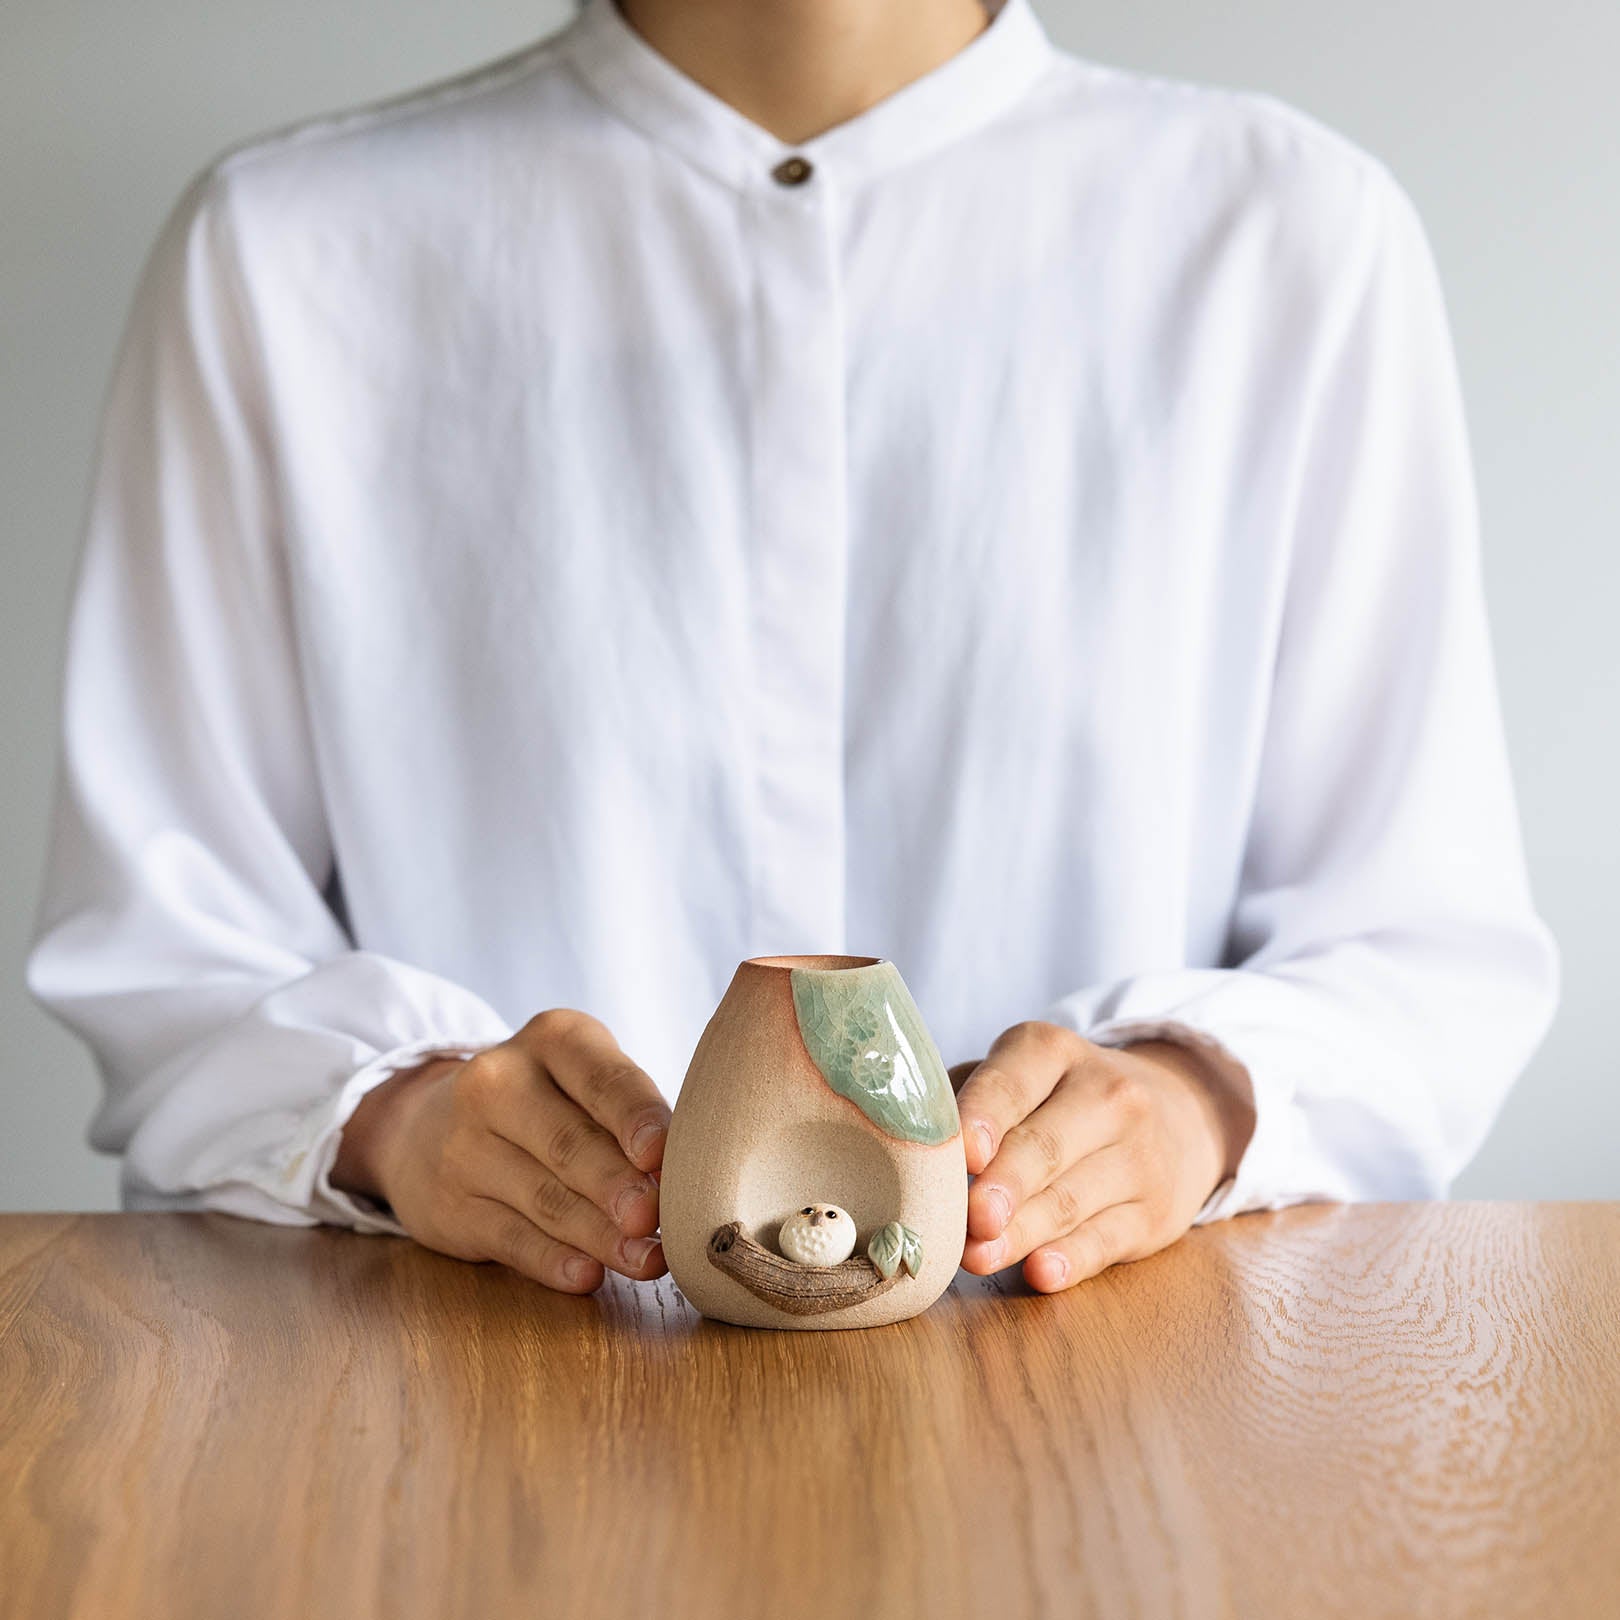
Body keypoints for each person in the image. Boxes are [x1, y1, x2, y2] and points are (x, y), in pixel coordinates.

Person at [26, 0, 1558, 1298]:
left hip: (1115, 1451)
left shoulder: (1286, 240)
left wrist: (1192, 1095)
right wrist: (397, 1118)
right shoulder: (289, 256)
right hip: (466, 1434)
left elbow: (1419, 946)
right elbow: (166, 940)